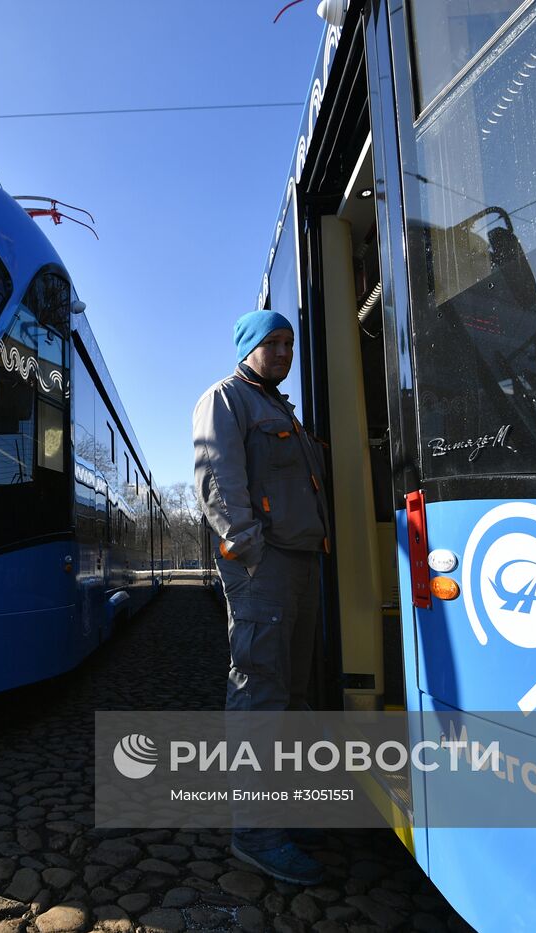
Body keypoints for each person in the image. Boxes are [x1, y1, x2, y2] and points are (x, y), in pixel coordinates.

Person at [192, 309, 331, 885]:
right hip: (266, 567)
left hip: (301, 562)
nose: (283, 353)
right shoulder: (226, 400)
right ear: (248, 347)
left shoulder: (282, 412)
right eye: (272, 343)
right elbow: (216, 479)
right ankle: (255, 832)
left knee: (292, 697)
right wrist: (250, 550)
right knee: (260, 699)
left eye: (289, 344)